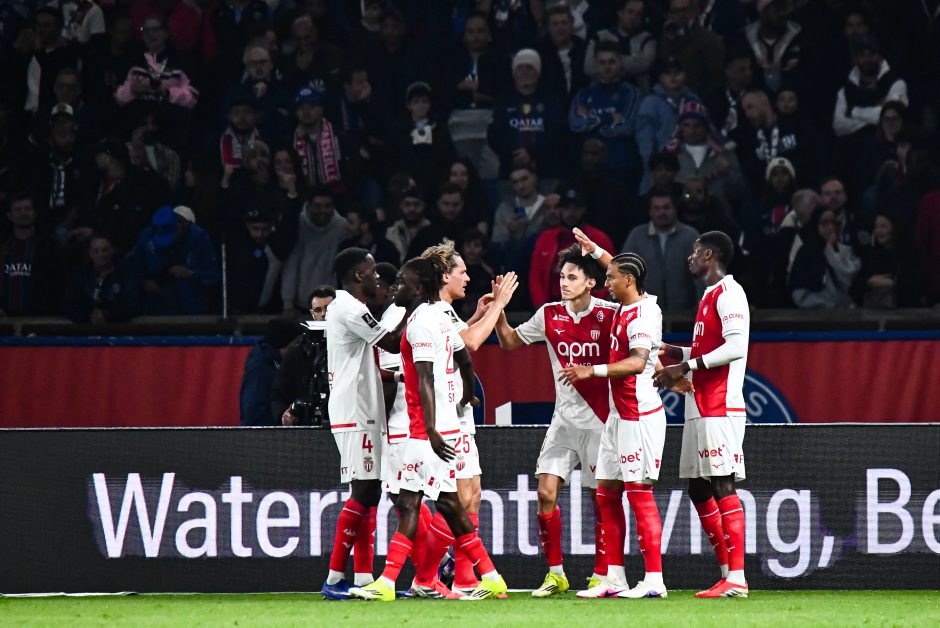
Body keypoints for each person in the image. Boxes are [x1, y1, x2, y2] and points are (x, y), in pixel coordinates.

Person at [350, 257, 508, 602]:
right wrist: (466, 393)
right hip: (443, 427)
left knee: (415, 502)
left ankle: (389, 582)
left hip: (426, 431)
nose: (396, 287)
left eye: (402, 282)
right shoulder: (437, 316)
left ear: (419, 287)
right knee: (445, 505)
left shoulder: (421, 324)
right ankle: (490, 576)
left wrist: (432, 429)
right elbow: (463, 357)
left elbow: (425, 379)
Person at [493, 244, 616, 597]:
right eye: (562, 276)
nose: (563, 282)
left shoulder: (610, 314)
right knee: (545, 493)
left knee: (600, 501)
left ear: (591, 282)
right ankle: (556, 573)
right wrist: (499, 310)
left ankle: (602, 574)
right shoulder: (548, 314)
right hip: (563, 423)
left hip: (600, 422)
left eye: (572, 277)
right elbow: (510, 342)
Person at [557, 247, 668, 599]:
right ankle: (614, 578)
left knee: (639, 495)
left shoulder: (643, 315)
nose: (606, 282)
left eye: (611, 279)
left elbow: (637, 362)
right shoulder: (626, 305)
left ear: (629, 281)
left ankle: (654, 581)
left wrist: (592, 370)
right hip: (617, 417)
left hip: (638, 417)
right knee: (606, 494)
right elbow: (618, 265)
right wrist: (594, 250)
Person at [653, 230, 751, 598]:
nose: (689, 257)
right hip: (699, 405)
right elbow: (705, 350)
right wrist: (673, 351)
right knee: (698, 487)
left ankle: (737, 578)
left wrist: (684, 366)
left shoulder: (730, 293)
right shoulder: (708, 296)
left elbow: (736, 346)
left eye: (695, 251)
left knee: (722, 483)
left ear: (709, 255)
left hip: (720, 405)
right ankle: (726, 573)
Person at [420, 241, 519, 594]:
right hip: (446, 414)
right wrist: (500, 306)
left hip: (459, 413)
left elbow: (461, 337)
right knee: (458, 500)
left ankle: (464, 578)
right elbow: (472, 343)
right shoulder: (432, 311)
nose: (467, 277)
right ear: (444, 276)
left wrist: (478, 315)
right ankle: (426, 577)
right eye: (461, 272)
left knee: (472, 495)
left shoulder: (445, 312)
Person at [319, 248, 407, 600]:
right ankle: (334, 578)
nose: (377, 278)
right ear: (359, 275)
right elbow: (391, 342)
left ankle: (363, 577)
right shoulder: (349, 308)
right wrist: (409, 305)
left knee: (369, 493)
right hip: (355, 411)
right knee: (364, 491)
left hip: (362, 408)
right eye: (373, 272)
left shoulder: (350, 307)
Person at [126, 205, 220, 315]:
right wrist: (143, 281)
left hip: (192, 306)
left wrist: (190, 273)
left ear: (182, 225)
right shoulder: (147, 235)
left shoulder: (199, 238)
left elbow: (214, 276)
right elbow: (132, 263)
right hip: (154, 304)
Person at [621, 192, 702, 311]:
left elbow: (701, 275)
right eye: (657, 208)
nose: (662, 212)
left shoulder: (690, 235)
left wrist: (704, 306)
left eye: (666, 207)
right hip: (645, 313)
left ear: (675, 209)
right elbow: (623, 273)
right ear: (650, 212)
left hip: (685, 314)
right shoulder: (637, 236)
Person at [280, 186, 347, 316]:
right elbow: (291, 264)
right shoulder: (298, 224)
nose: (322, 210)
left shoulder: (342, 227)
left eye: (327, 206)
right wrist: (288, 303)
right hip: (300, 304)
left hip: (332, 305)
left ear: (333, 207)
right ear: (309, 206)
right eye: (317, 206)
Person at [0, 192, 64, 316]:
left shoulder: (50, 247)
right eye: (18, 210)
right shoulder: (3, 248)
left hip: (40, 319)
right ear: (9, 216)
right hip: (5, 318)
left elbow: (59, 284)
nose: (23, 213)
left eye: (27, 209)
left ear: (34, 213)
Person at [788, 206, 861, 309]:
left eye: (833, 222)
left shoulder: (843, 250)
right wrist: (824, 305)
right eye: (824, 223)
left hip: (842, 310)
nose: (830, 227)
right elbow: (798, 290)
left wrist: (830, 250)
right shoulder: (807, 252)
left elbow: (848, 278)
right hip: (814, 310)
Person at [64, 232, 140, 323]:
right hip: (86, 327)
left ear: (113, 250)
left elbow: (133, 304)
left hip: (118, 327)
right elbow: (70, 304)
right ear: (90, 253)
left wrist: (106, 314)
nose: (100, 255)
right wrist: (90, 315)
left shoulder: (125, 273)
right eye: (95, 251)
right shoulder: (81, 274)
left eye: (105, 250)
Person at [240, 318, 304, 426]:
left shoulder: (273, 362)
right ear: (283, 346)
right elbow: (253, 412)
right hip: (263, 433)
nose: (297, 350)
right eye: (295, 345)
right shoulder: (260, 369)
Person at [585, 0, 656, 93]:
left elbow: (644, 64)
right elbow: (589, 67)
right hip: (601, 94)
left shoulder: (647, 39)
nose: (634, 17)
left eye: (638, 14)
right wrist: (630, 61)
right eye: (630, 12)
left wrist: (606, 64)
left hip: (638, 95)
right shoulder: (599, 37)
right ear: (620, 12)